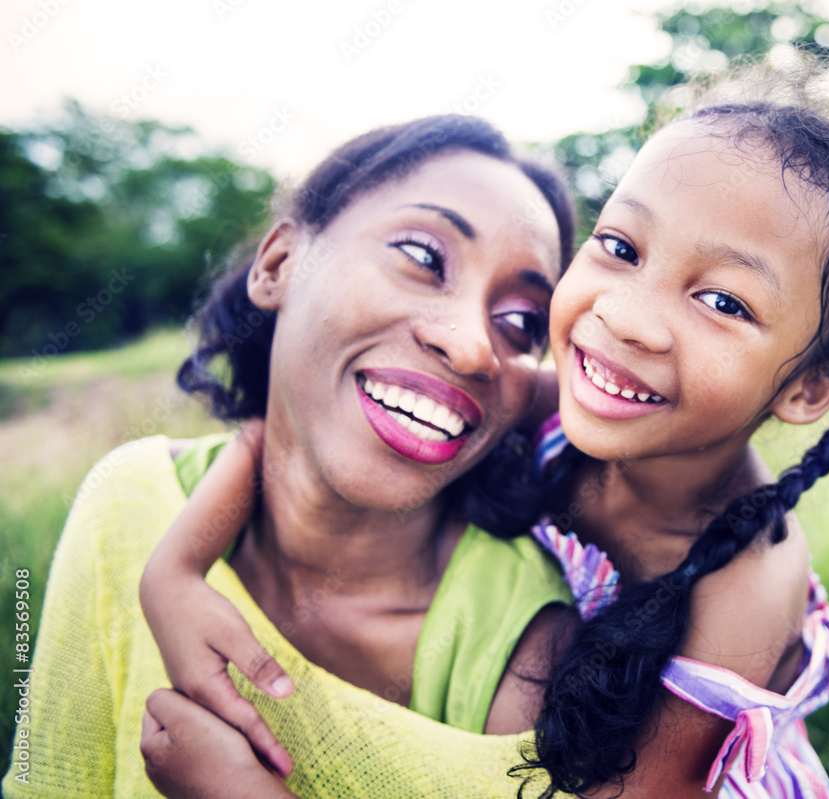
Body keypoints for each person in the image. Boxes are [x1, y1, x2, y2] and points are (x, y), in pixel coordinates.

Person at [134, 74, 829, 799]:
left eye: (722, 301)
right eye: (621, 248)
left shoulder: (748, 578)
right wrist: (173, 570)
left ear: (808, 386)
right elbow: (276, 433)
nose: (625, 315)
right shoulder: (555, 406)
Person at [0, 115, 579, 798]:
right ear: (278, 264)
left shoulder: (522, 638)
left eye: (521, 323)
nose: (474, 346)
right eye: (424, 257)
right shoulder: (129, 504)